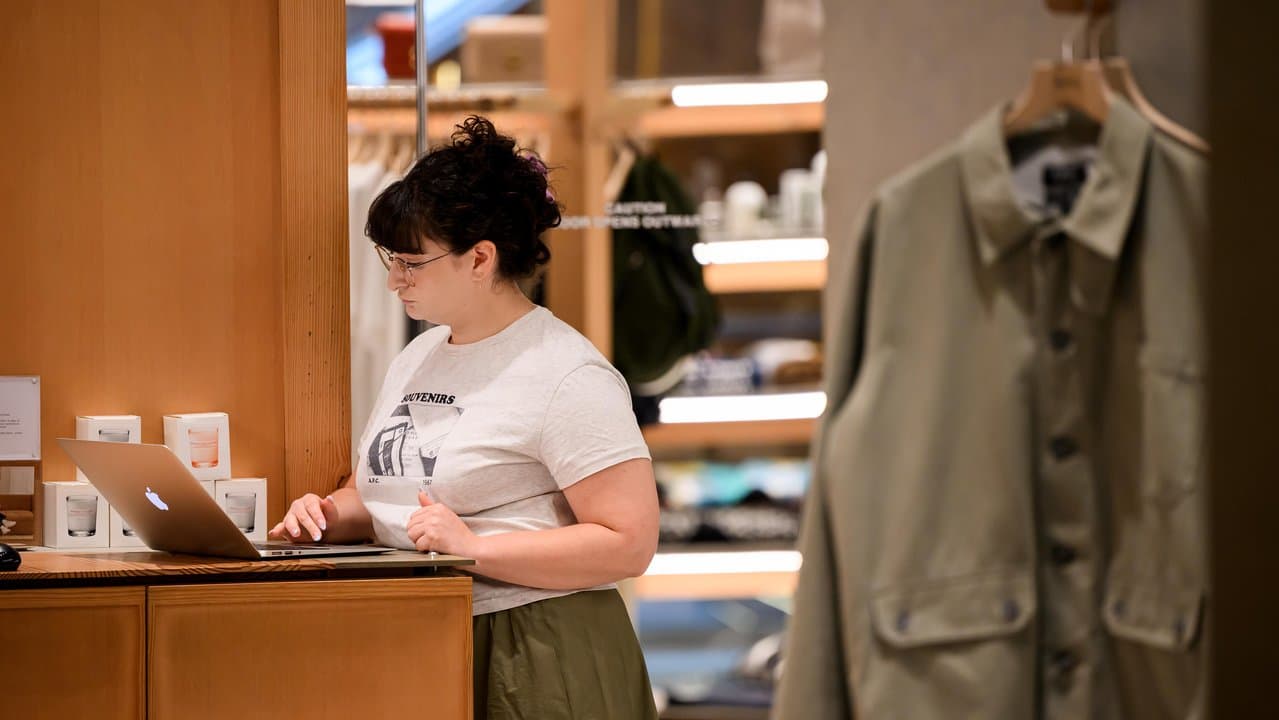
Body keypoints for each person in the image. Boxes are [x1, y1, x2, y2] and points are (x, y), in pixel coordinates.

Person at [270, 116, 660, 719]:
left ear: (480, 259)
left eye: (412, 263)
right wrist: (325, 515)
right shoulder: (421, 354)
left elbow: (629, 543)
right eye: (389, 259)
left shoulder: (567, 373)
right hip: (425, 638)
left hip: (536, 651)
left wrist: (474, 549)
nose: (395, 280)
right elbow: (382, 494)